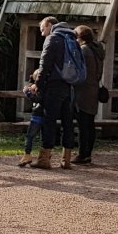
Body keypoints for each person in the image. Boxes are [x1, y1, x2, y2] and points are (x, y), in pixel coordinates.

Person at [33, 15, 79, 169]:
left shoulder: (52, 39)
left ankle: (44, 159)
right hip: (69, 85)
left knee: (49, 121)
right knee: (68, 122)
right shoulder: (72, 38)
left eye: (43, 29)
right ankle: (66, 159)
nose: (42, 33)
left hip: (53, 85)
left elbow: (44, 64)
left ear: (50, 25)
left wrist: (38, 84)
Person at [72, 25, 106, 164]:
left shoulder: (84, 50)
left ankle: (82, 153)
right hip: (94, 89)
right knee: (89, 123)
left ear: (80, 37)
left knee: (83, 123)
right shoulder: (97, 50)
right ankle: (88, 153)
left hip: (83, 90)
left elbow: (78, 70)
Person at [17, 69, 47, 167]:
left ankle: (27, 155)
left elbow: (37, 99)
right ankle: (44, 158)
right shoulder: (50, 87)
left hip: (37, 115)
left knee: (30, 136)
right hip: (48, 115)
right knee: (44, 137)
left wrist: (28, 92)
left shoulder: (40, 88)